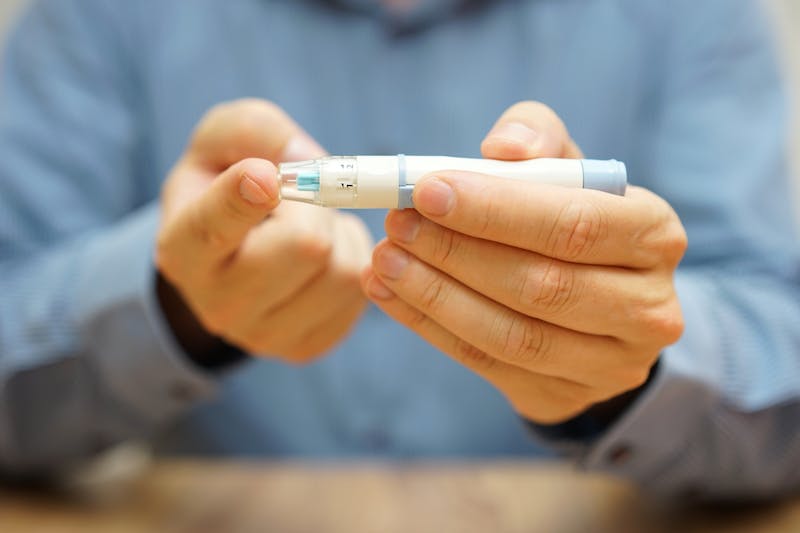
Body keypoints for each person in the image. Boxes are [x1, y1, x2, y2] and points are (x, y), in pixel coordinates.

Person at [0, 0, 798, 499]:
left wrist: (624, 361)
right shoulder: (102, 14)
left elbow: (780, 358)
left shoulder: (689, 14)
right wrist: (172, 305)